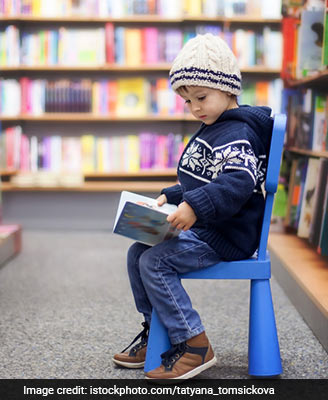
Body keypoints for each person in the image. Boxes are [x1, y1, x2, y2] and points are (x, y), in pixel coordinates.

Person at [112, 33, 274, 381]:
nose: (195, 107)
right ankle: (157, 328)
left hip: (225, 235)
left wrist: (194, 207)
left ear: (228, 88)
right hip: (206, 225)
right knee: (137, 252)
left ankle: (194, 342)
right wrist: (171, 197)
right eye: (187, 101)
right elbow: (201, 179)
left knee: (155, 261)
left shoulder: (237, 134)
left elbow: (236, 183)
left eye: (201, 97)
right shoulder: (213, 128)